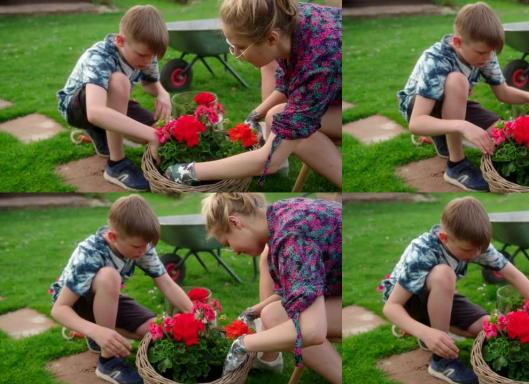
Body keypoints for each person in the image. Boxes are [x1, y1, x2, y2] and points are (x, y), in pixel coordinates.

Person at [165, 0, 342, 189]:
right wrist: (253, 117)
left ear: (272, 39)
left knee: (282, 120)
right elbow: (288, 85)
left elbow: (270, 160)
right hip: (333, 88)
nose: (237, 54)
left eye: (241, 47)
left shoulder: (318, 62)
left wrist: (189, 171)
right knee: (276, 117)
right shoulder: (285, 17)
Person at [380, 196, 529, 384]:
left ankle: (434, 330)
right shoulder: (423, 252)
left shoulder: (475, 245)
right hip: (408, 302)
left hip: (439, 296)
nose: (476, 255)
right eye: (469, 250)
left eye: (480, 249)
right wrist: (425, 333)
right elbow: (391, 306)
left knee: (487, 327)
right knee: (444, 274)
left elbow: (514, 275)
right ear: (444, 238)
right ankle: (441, 360)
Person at [397, 2, 529, 191]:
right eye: (482, 53)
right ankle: (456, 166)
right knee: (457, 80)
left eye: (491, 52)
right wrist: (463, 125)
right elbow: (416, 123)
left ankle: (444, 140)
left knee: (501, 138)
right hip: (421, 109)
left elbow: (503, 92)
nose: (488, 58)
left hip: (454, 103)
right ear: (457, 42)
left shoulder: (484, 52)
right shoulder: (437, 60)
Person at [49, 195, 193, 384]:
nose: (143, 251)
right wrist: (96, 331)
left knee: (155, 330)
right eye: (137, 247)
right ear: (112, 237)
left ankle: (99, 338)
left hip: (105, 298)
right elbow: (59, 310)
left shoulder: (139, 244)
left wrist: (196, 314)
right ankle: (108, 361)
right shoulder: (91, 253)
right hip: (75, 304)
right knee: (110, 276)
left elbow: (166, 282)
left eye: (146, 246)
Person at [201, 193, 341, 383]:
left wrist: (242, 344)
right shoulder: (278, 215)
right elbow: (298, 287)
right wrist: (252, 312)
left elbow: (312, 330)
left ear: (235, 223)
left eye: (227, 242)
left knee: (276, 317)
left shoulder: (290, 237)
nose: (234, 250)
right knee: (271, 314)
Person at [56, 5, 171, 192]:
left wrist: (162, 93)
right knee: (119, 81)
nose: (148, 61)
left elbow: (149, 83)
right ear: (120, 41)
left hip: (110, 101)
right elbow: (95, 112)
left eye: (153, 56)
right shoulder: (100, 57)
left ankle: (99, 134)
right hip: (76, 107)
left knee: (156, 131)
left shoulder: (146, 53)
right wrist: (152, 136)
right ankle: (116, 165)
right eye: (143, 55)